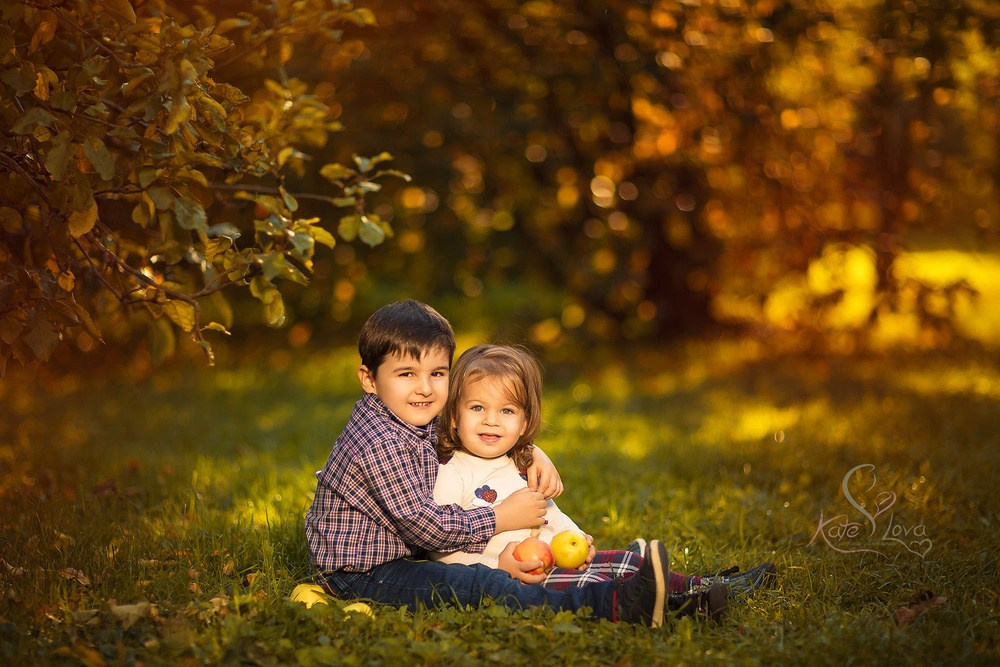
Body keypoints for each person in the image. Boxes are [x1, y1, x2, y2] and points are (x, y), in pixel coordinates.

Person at [305, 299, 674, 627]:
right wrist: (501, 518)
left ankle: (635, 574)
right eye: (406, 375)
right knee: (479, 584)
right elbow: (425, 528)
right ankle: (609, 604)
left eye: (437, 373)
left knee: (509, 566)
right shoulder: (379, 442)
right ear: (369, 379)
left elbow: (472, 430)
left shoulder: (411, 415)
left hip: (401, 555)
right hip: (362, 573)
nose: (425, 388)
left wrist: (529, 451)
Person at [431, 344, 775, 614]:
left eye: (506, 411)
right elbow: (441, 553)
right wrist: (497, 567)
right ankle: (684, 606)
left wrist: (574, 536)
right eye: (477, 408)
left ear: (523, 423)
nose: (491, 421)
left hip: (552, 561)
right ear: (454, 414)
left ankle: (708, 584)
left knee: (624, 561)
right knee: (597, 581)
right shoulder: (452, 473)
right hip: (518, 580)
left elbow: (549, 511)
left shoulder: (520, 464)